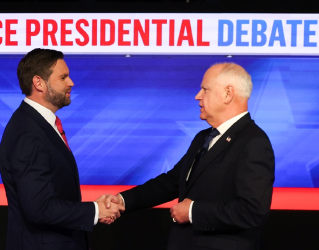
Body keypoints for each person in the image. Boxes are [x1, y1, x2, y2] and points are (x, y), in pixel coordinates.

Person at [104, 63, 275, 250]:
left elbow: (253, 211)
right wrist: (122, 200)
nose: (197, 96)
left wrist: (194, 211)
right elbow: (171, 182)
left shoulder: (254, 142)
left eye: (205, 89)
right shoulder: (203, 137)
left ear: (228, 93)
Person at [0, 48, 123, 250]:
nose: (71, 83)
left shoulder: (37, 125)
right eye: (63, 77)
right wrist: (95, 211)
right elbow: (38, 207)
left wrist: (94, 209)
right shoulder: (28, 132)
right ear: (39, 83)